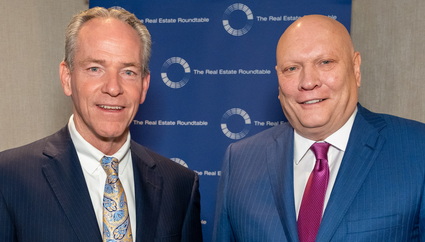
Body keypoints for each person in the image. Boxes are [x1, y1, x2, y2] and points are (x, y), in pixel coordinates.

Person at [213, 14, 425, 241]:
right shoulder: (240, 161)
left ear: (356, 69)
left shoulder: (416, 150)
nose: (308, 82)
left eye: (325, 62)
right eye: (292, 68)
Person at [0, 7, 202, 242]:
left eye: (128, 71)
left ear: (144, 85)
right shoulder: (9, 178)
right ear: (67, 78)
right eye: (95, 69)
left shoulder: (179, 185)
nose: (113, 88)